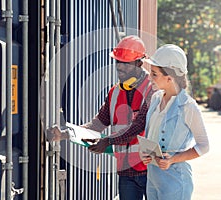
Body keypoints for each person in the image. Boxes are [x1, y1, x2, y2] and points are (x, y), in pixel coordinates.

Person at [48, 35, 154, 200]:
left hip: (151, 170)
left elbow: (139, 126)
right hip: (125, 171)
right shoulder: (115, 92)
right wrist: (65, 133)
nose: (119, 67)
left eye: (125, 63)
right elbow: (97, 124)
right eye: (117, 62)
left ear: (139, 63)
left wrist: (108, 141)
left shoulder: (152, 89)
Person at [140, 44, 209, 200]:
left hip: (176, 183)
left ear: (169, 78)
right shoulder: (156, 99)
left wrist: (173, 159)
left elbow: (204, 146)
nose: (150, 78)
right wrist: (147, 155)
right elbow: (153, 136)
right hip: (153, 179)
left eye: (155, 74)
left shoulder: (188, 107)